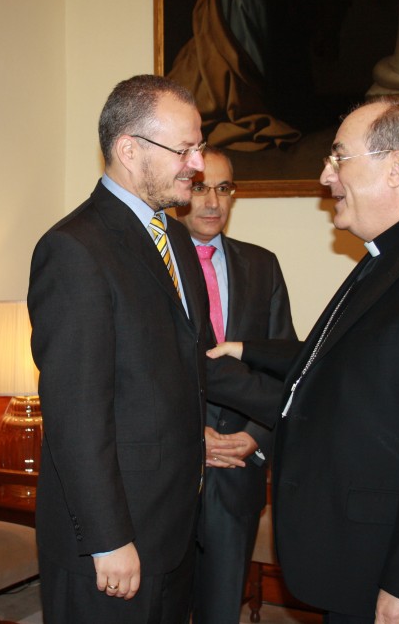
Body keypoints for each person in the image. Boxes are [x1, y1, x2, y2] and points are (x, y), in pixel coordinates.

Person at [210, 96, 399, 622]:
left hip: (393, 571)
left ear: (396, 167)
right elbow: (338, 359)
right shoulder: (393, 256)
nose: (326, 175)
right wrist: (246, 349)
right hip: (357, 556)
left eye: (338, 157)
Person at [27, 74, 282, 623]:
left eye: (199, 147)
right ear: (129, 150)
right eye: (185, 149)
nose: (197, 163)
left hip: (172, 527)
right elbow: (76, 414)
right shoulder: (75, 249)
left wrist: (297, 403)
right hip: (113, 539)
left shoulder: (175, 243)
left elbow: (200, 364)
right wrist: (108, 538)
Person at [176, 147, 298, 624]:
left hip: (237, 468)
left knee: (220, 610)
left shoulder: (262, 265)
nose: (212, 201)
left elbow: (281, 363)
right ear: (182, 190)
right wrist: (191, 436)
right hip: (170, 466)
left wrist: (255, 436)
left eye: (223, 189)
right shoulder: (156, 265)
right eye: (201, 187)